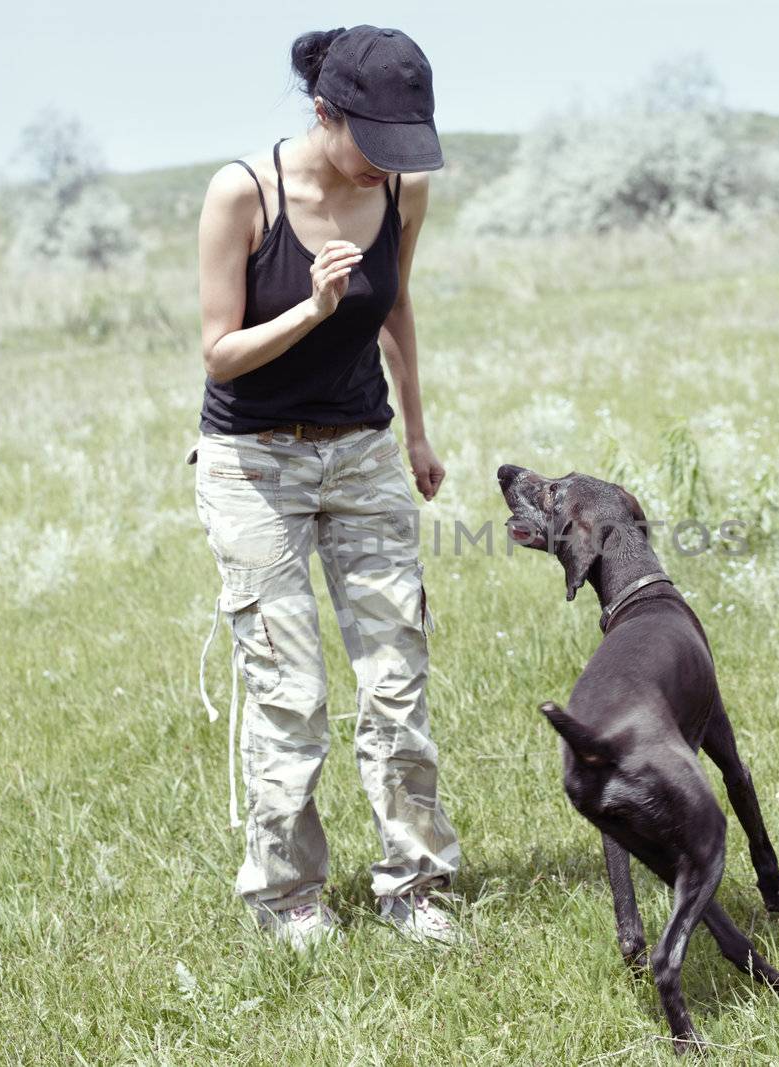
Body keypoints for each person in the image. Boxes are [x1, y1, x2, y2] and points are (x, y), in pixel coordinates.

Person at [190, 24, 460, 948]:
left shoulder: (400, 189)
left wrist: (417, 430)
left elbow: (398, 306)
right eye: (371, 145)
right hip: (253, 462)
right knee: (288, 687)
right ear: (323, 113)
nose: (385, 166)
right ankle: (289, 894)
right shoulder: (244, 194)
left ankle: (415, 883)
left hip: (363, 450)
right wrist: (310, 308)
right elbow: (220, 357)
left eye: (402, 149)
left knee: (397, 675)